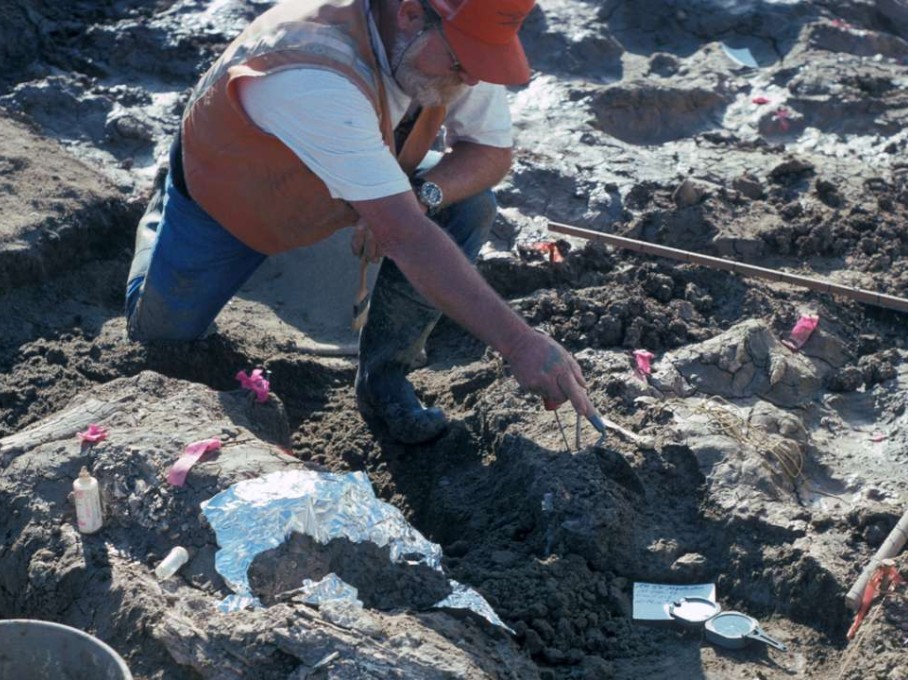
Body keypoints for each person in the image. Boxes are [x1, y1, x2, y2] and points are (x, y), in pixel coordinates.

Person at [125, 0, 600, 444]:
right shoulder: (310, 67)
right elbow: (405, 236)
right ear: (412, 14)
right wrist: (519, 344)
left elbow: (492, 152)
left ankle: (384, 379)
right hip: (234, 194)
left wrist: (421, 196)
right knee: (164, 340)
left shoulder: (454, 37)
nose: (471, 80)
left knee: (471, 204)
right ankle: (165, 204)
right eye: (461, 63)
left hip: (353, 175)